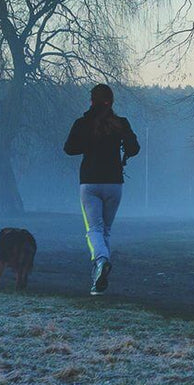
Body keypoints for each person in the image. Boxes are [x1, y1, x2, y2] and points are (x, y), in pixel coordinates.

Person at [63, 84, 140, 295]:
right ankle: (98, 281)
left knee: (94, 230)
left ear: (91, 101)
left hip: (90, 182)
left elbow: (69, 148)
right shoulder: (121, 123)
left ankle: (101, 261)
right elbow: (134, 149)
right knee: (105, 230)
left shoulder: (83, 123)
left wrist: (89, 145)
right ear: (111, 102)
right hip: (114, 183)